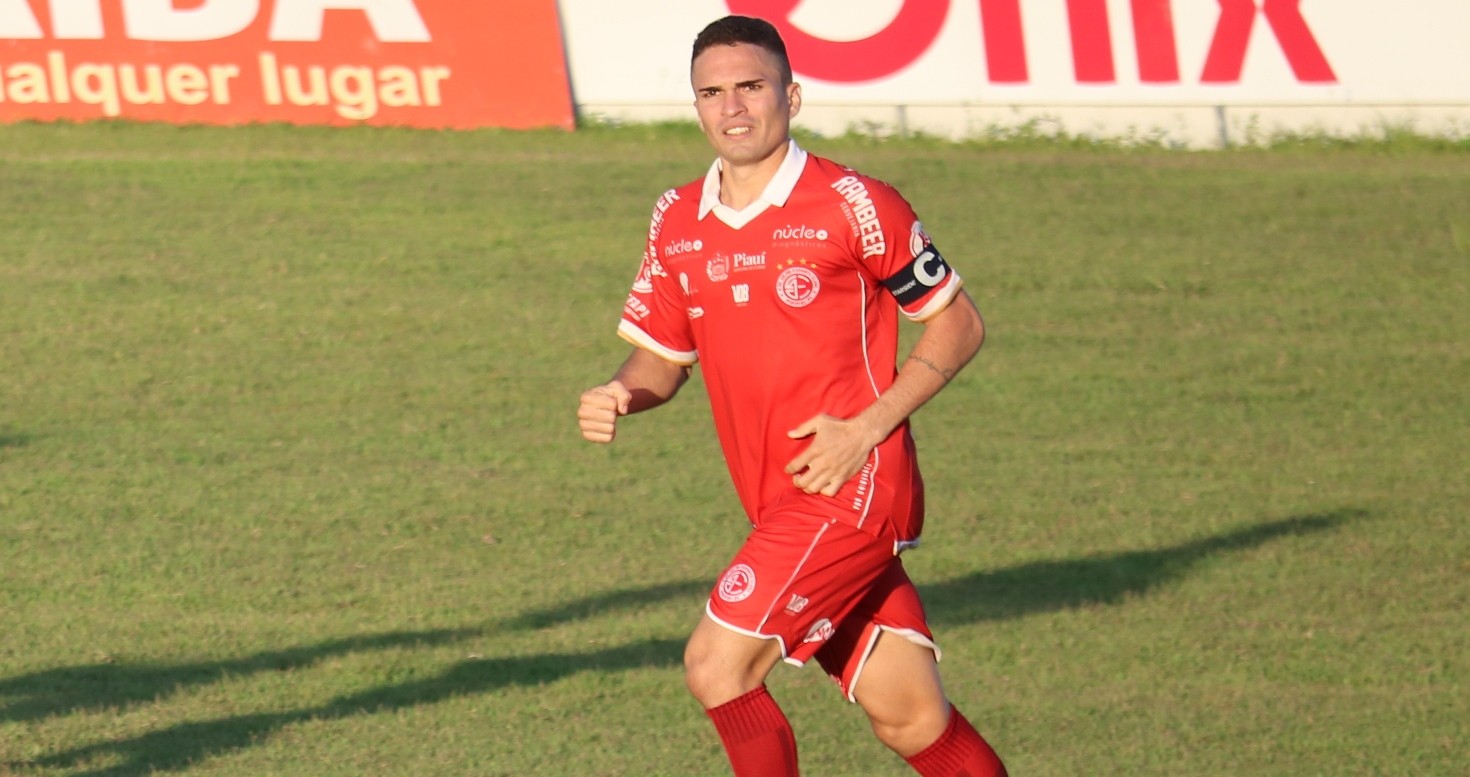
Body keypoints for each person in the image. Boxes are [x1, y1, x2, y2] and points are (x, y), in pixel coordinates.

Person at [576, 15, 1007, 777]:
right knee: (911, 716)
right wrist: (619, 391)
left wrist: (865, 429)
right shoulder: (676, 218)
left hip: (851, 488)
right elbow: (662, 358)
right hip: (775, 499)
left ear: (792, 95)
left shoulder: (854, 201)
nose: (732, 108)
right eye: (712, 92)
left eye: (751, 86)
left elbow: (959, 324)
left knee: (717, 665)